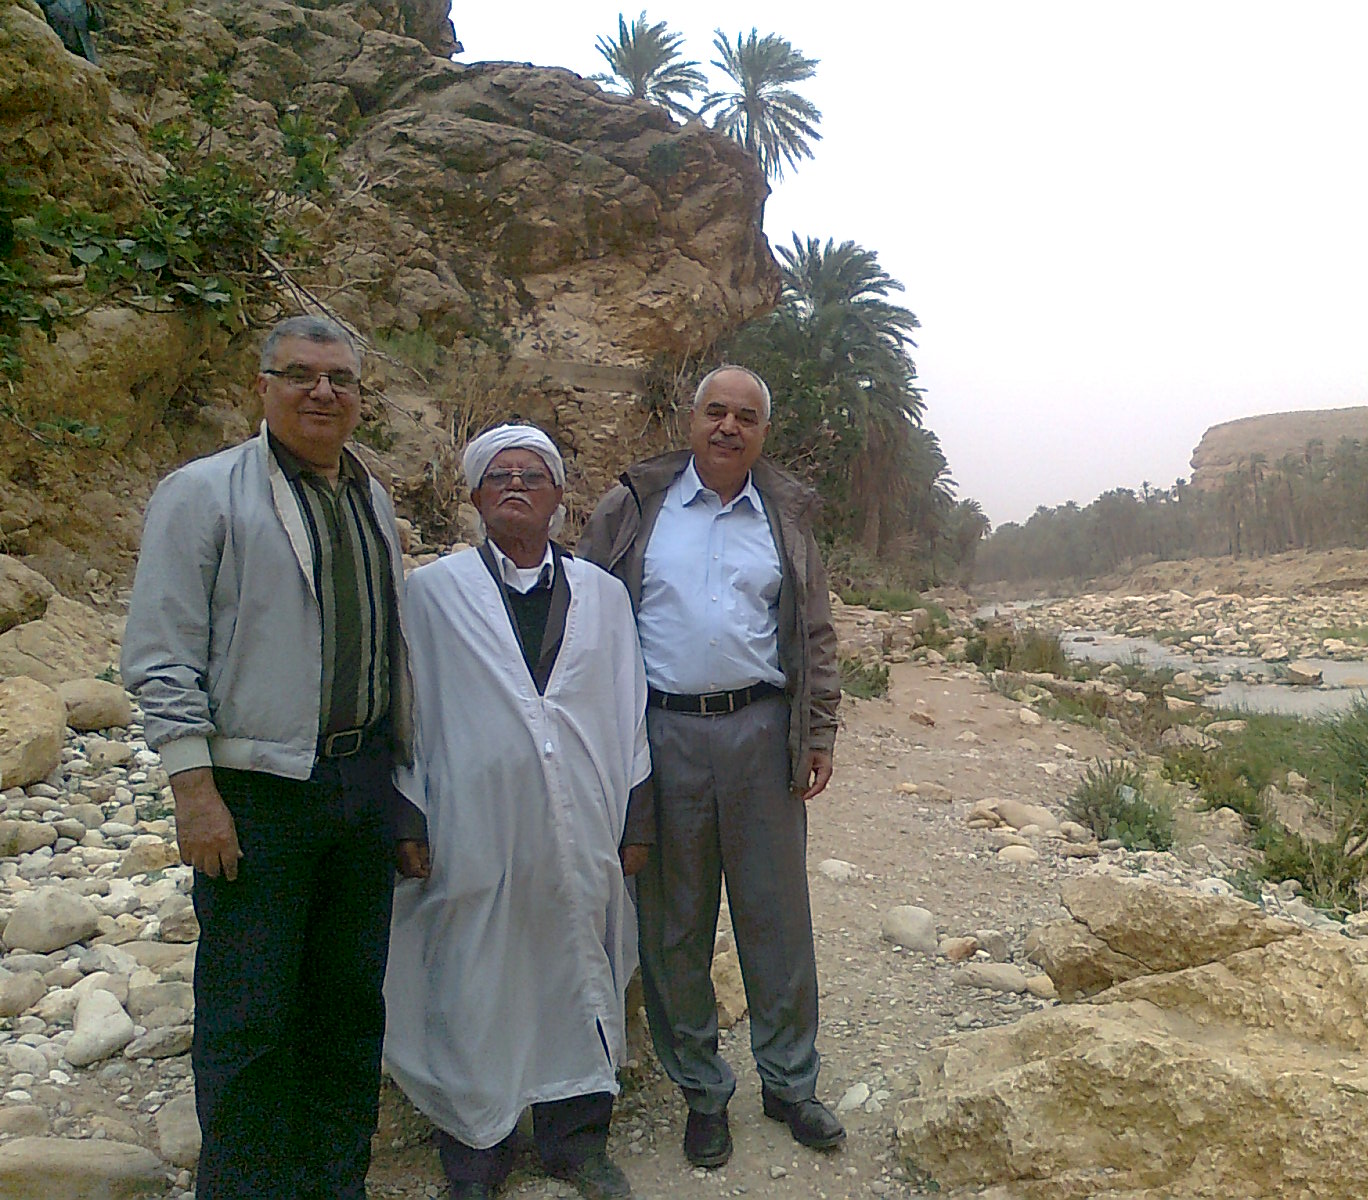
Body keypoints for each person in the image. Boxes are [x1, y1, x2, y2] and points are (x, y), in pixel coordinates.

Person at [121, 315, 413, 1199]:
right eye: (300, 374)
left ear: (359, 396)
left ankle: (335, 1183)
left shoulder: (370, 497)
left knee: (348, 1007)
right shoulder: (203, 493)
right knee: (248, 1014)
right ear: (262, 386)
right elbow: (162, 653)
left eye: (340, 378)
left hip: (361, 782)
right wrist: (194, 790)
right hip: (256, 792)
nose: (322, 391)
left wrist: (403, 791)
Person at [578, 364, 843, 1169]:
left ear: (763, 432)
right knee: (673, 923)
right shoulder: (635, 506)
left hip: (761, 731)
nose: (730, 427)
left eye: (747, 417)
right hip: (661, 736)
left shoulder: (785, 515)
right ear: (691, 420)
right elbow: (585, 609)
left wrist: (819, 728)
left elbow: (815, 631)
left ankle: (790, 1084)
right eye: (716, 412)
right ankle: (702, 1092)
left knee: (776, 919)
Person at [384, 425, 653, 1200]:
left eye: (532, 475)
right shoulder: (432, 594)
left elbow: (629, 709)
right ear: (474, 494)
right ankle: (478, 1149)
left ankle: (576, 1142)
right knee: (474, 977)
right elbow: (405, 709)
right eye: (498, 474)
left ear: (558, 495)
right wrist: (407, 816)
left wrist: (638, 818)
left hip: (582, 826)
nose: (515, 486)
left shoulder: (603, 595)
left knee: (580, 965)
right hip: (472, 824)